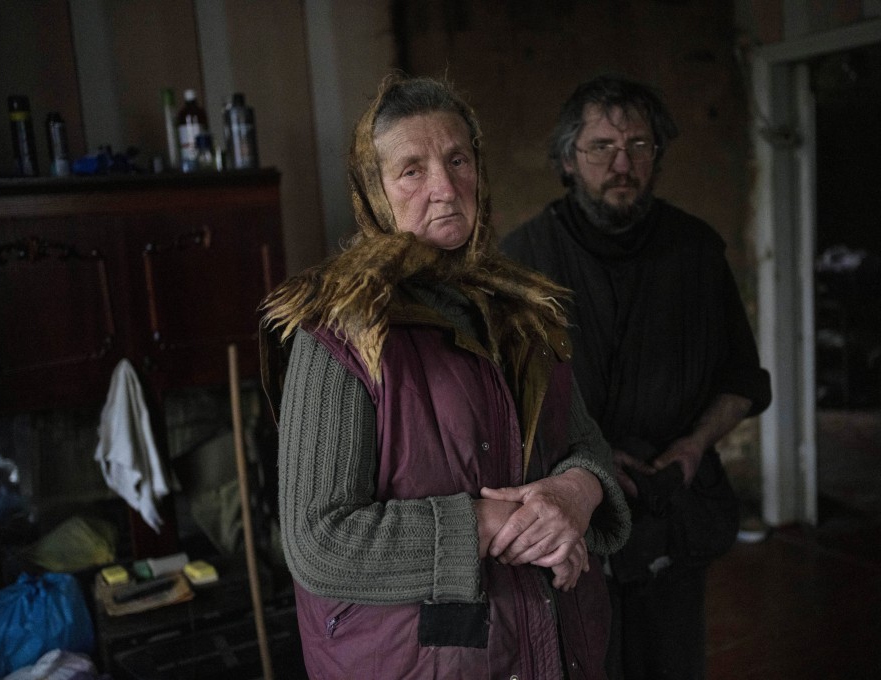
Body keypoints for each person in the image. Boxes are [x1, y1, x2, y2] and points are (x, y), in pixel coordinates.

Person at [259, 74, 631, 679]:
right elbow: (319, 542)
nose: (444, 187)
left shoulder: (521, 308)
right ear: (374, 189)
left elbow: (585, 445)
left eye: (458, 159)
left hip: (550, 643)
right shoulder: (340, 329)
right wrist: (492, 523)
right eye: (411, 169)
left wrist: (574, 495)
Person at [501, 75, 772, 679]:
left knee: (674, 664)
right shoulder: (524, 262)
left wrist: (695, 446)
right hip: (578, 520)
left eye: (640, 147)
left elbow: (744, 378)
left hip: (675, 506)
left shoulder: (696, 251)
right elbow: (501, 405)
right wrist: (588, 464)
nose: (622, 163)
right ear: (569, 159)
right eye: (602, 147)